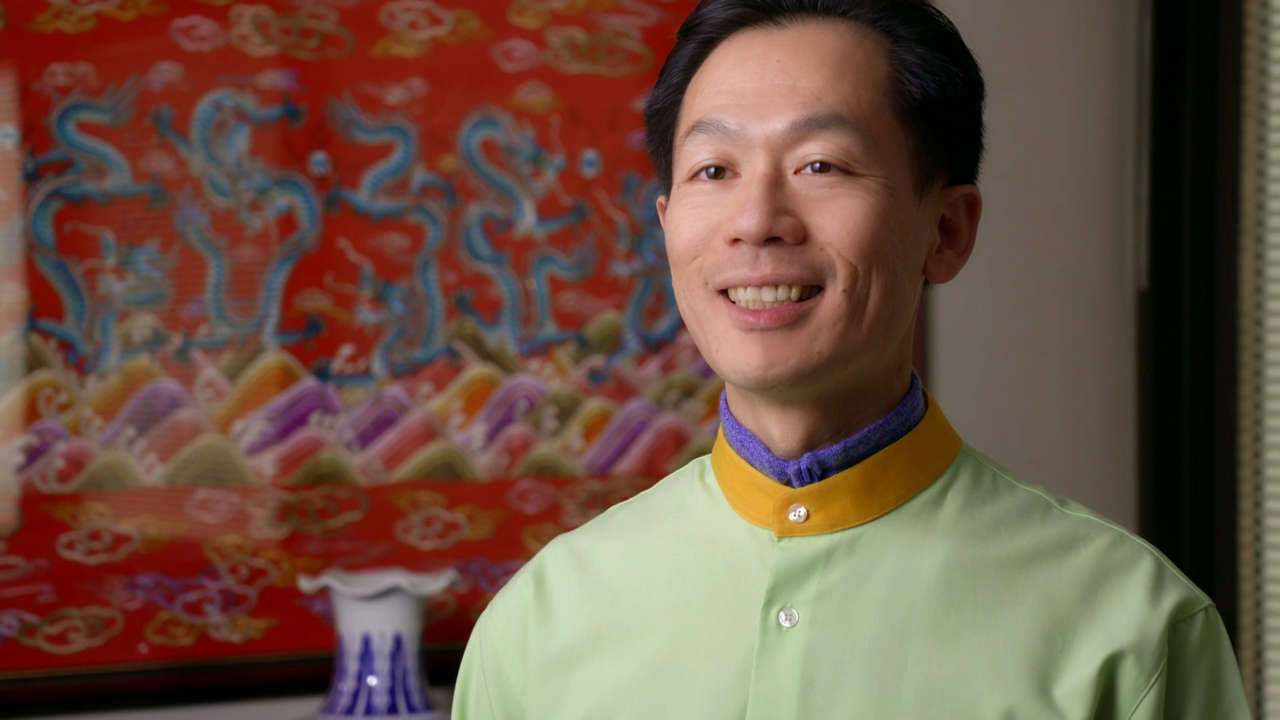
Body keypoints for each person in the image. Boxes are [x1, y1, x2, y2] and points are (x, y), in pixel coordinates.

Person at [453, 1, 1252, 717]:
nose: (756, 220)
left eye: (820, 165)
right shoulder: (538, 625)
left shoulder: (1130, 629)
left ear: (947, 231)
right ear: (666, 224)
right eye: (714, 170)